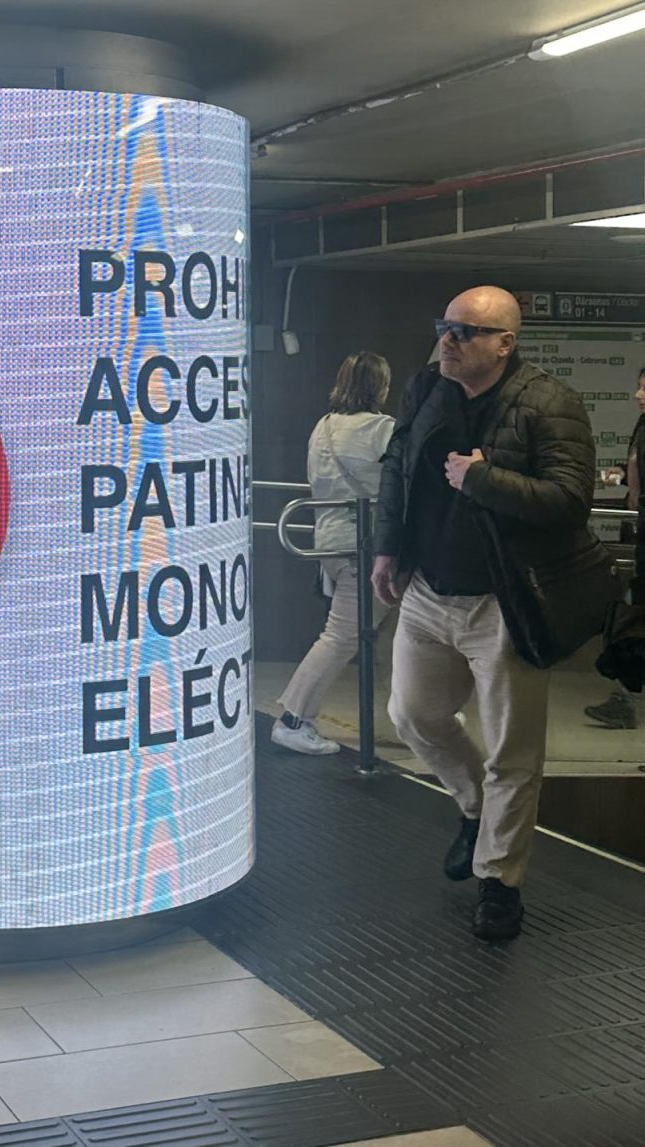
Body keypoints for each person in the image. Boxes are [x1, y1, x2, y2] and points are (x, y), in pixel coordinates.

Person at [372, 285, 597, 942]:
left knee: (512, 750)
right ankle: (474, 811)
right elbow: (397, 466)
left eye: (466, 331)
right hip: (429, 591)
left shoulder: (551, 405)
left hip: (507, 601)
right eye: (445, 325)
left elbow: (570, 500)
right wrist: (388, 546)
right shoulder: (425, 388)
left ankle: (499, 882)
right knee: (412, 714)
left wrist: (485, 479)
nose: (448, 339)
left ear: (505, 343)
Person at [272, 352, 394, 755]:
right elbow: (401, 484)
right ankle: (293, 719)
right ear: (379, 387)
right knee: (342, 636)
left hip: (331, 541)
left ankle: (417, 715)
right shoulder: (383, 429)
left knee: (400, 631)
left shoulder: (323, 427)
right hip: (368, 547)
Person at [584, 367, 645, 730]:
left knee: (634, 622)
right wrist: (620, 474)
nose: (639, 395)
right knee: (633, 621)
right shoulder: (642, 427)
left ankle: (625, 702)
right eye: (638, 387)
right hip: (640, 538)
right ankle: (624, 701)